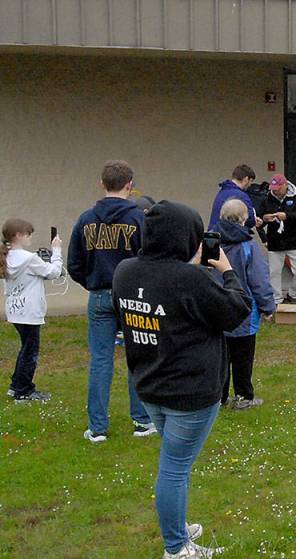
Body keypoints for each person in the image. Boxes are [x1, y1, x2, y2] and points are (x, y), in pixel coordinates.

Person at [111, 201, 252, 558]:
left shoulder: (125, 271)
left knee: (178, 463)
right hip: (190, 391)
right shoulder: (189, 279)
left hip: (149, 383)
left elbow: (161, 300)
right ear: (185, 238)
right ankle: (176, 548)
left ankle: (177, 527)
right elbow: (236, 311)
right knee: (174, 468)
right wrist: (228, 271)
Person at [68, 160, 154, 442]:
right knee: (138, 358)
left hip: (99, 295)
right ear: (130, 185)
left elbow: (74, 264)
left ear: (102, 184)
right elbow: (151, 258)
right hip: (133, 295)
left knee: (101, 361)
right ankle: (142, 421)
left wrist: (93, 282)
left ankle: (97, 428)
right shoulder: (139, 219)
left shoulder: (85, 220)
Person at [216, 199, 276, 407]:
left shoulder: (211, 243)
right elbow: (259, 280)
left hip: (217, 309)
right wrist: (268, 307)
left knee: (221, 357)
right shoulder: (248, 246)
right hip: (243, 310)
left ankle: (219, 397)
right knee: (243, 357)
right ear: (243, 220)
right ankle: (243, 396)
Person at [2, 219, 63, 403]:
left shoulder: (7, 256)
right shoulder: (29, 258)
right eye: (28, 234)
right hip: (29, 310)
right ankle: (23, 390)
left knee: (25, 348)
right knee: (30, 351)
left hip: (15, 309)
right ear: (19, 236)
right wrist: (57, 251)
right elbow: (53, 271)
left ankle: (16, 385)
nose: (30, 238)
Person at [258, 173, 296, 304]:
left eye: (278, 188)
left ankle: (294, 294)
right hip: (275, 242)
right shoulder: (266, 200)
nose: (275, 191)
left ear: (285, 185)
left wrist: (286, 216)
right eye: (273, 189)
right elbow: (259, 221)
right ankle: (276, 299)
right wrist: (264, 219)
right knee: (274, 272)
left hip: (295, 241)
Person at [208, 164, 260, 230]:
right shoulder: (242, 196)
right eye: (251, 181)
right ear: (246, 179)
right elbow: (250, 220)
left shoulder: (222, 192)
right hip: (229, 236)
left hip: (214, 234)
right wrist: (254, 220)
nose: (250, 185)